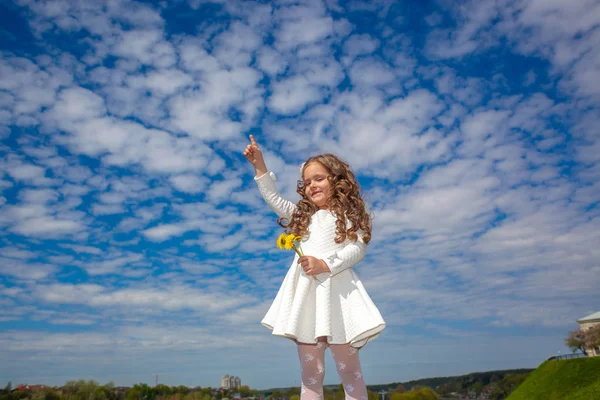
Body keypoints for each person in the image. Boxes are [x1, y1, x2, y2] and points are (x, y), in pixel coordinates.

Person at [243, 135, 385, 400]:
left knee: (350, 372)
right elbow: (272, 197)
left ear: (338, 180)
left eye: (319, 178)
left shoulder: (347, 214)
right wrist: (260, 167)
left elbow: (357, 249)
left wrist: (325, 264)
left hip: (339, 302)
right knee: (311, 374)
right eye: (307, 182)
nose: (311, 186)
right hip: (307, 302)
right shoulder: (303, 215)